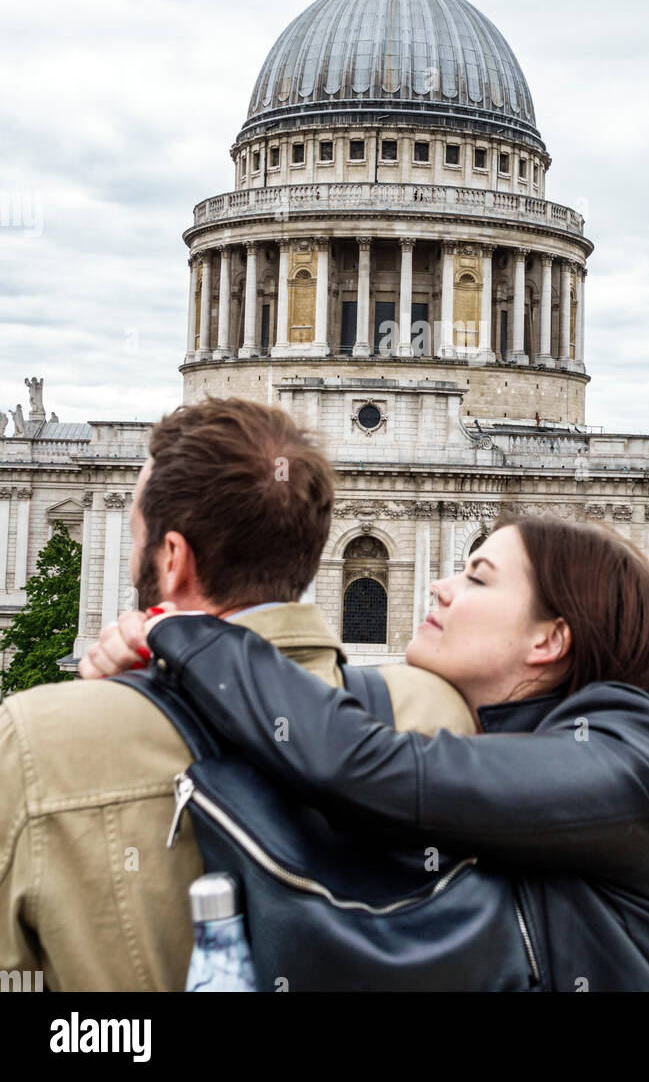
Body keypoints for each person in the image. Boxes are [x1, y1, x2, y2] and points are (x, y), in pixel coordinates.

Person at [88, 512, 649, 992]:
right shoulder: (498, 733)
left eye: (477, 577)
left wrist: (184, 632)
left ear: (549, 639)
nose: (438, 587)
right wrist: (172, 669)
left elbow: (364, 768)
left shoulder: (634, 752)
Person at [0, 398, 473, 991]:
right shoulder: (444, 711)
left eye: (135, 538)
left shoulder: (35, 743)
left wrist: (88, 716)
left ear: (172, 560)